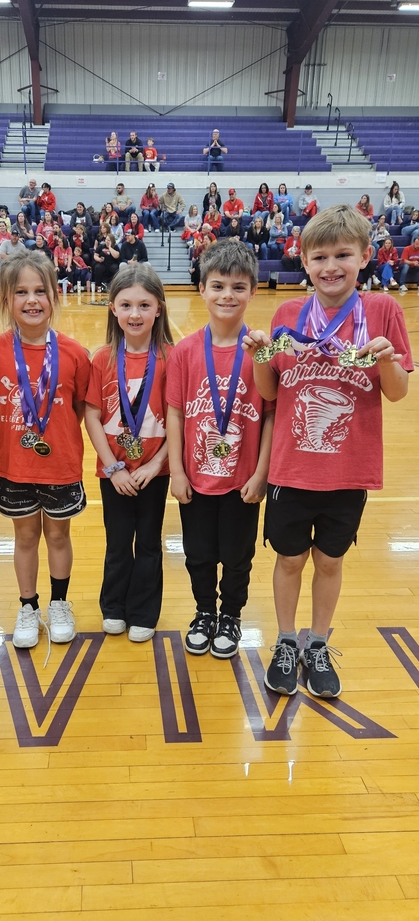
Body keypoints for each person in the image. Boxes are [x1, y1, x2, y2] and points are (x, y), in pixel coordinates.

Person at [243, 204, 412, 699]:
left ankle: (318, 642)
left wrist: (384, 361)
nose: (331, 266)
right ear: (305, 261)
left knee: (330, 562)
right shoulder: (286, 314)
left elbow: (398, 392)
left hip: (349, 468)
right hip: (291, 467)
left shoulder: (383, 311)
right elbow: (270, 391)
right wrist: (259, 359)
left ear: (364, 255)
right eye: (320, 257)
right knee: (290, 560)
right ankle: (286, 640)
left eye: (343, 254)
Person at [166, 241, 274, 658]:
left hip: (241, 481)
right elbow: (175, 414)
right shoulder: (185, 351)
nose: (227, 295)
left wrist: (261, 473)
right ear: (202, 290)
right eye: (218, 286)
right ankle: (203, 612)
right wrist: (176, 470)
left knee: (237, 556)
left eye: (238, 286)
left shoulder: (259, 351)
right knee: (198, 554)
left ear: (254, 290)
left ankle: (231, 615)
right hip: (195, 477)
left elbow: (269, 416)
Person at [0, 250, 90, 648]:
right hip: (14, 467)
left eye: (40, 291)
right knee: (26, 538)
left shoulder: (75, 353)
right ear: (6, 299)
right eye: (21, 292)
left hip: (60, 465)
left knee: (59, 537)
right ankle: (28, 606)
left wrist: (51, 435)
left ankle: (59, 604)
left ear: (55, 296)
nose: (32, 300)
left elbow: (80, 408)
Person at [85, 264, 172, 640]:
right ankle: (114, 607)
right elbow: (91, 414)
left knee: (149, 542)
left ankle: (143, 612)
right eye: (126, 305)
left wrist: (155, 464)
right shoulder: (102, 358)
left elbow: (179, 420)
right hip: (115, 472)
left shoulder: (172, 358)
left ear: (158, 309)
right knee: (118, 540)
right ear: (113, 309)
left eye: (144, 305)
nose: (135, 314)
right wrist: (114, 467)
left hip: (155, 471)